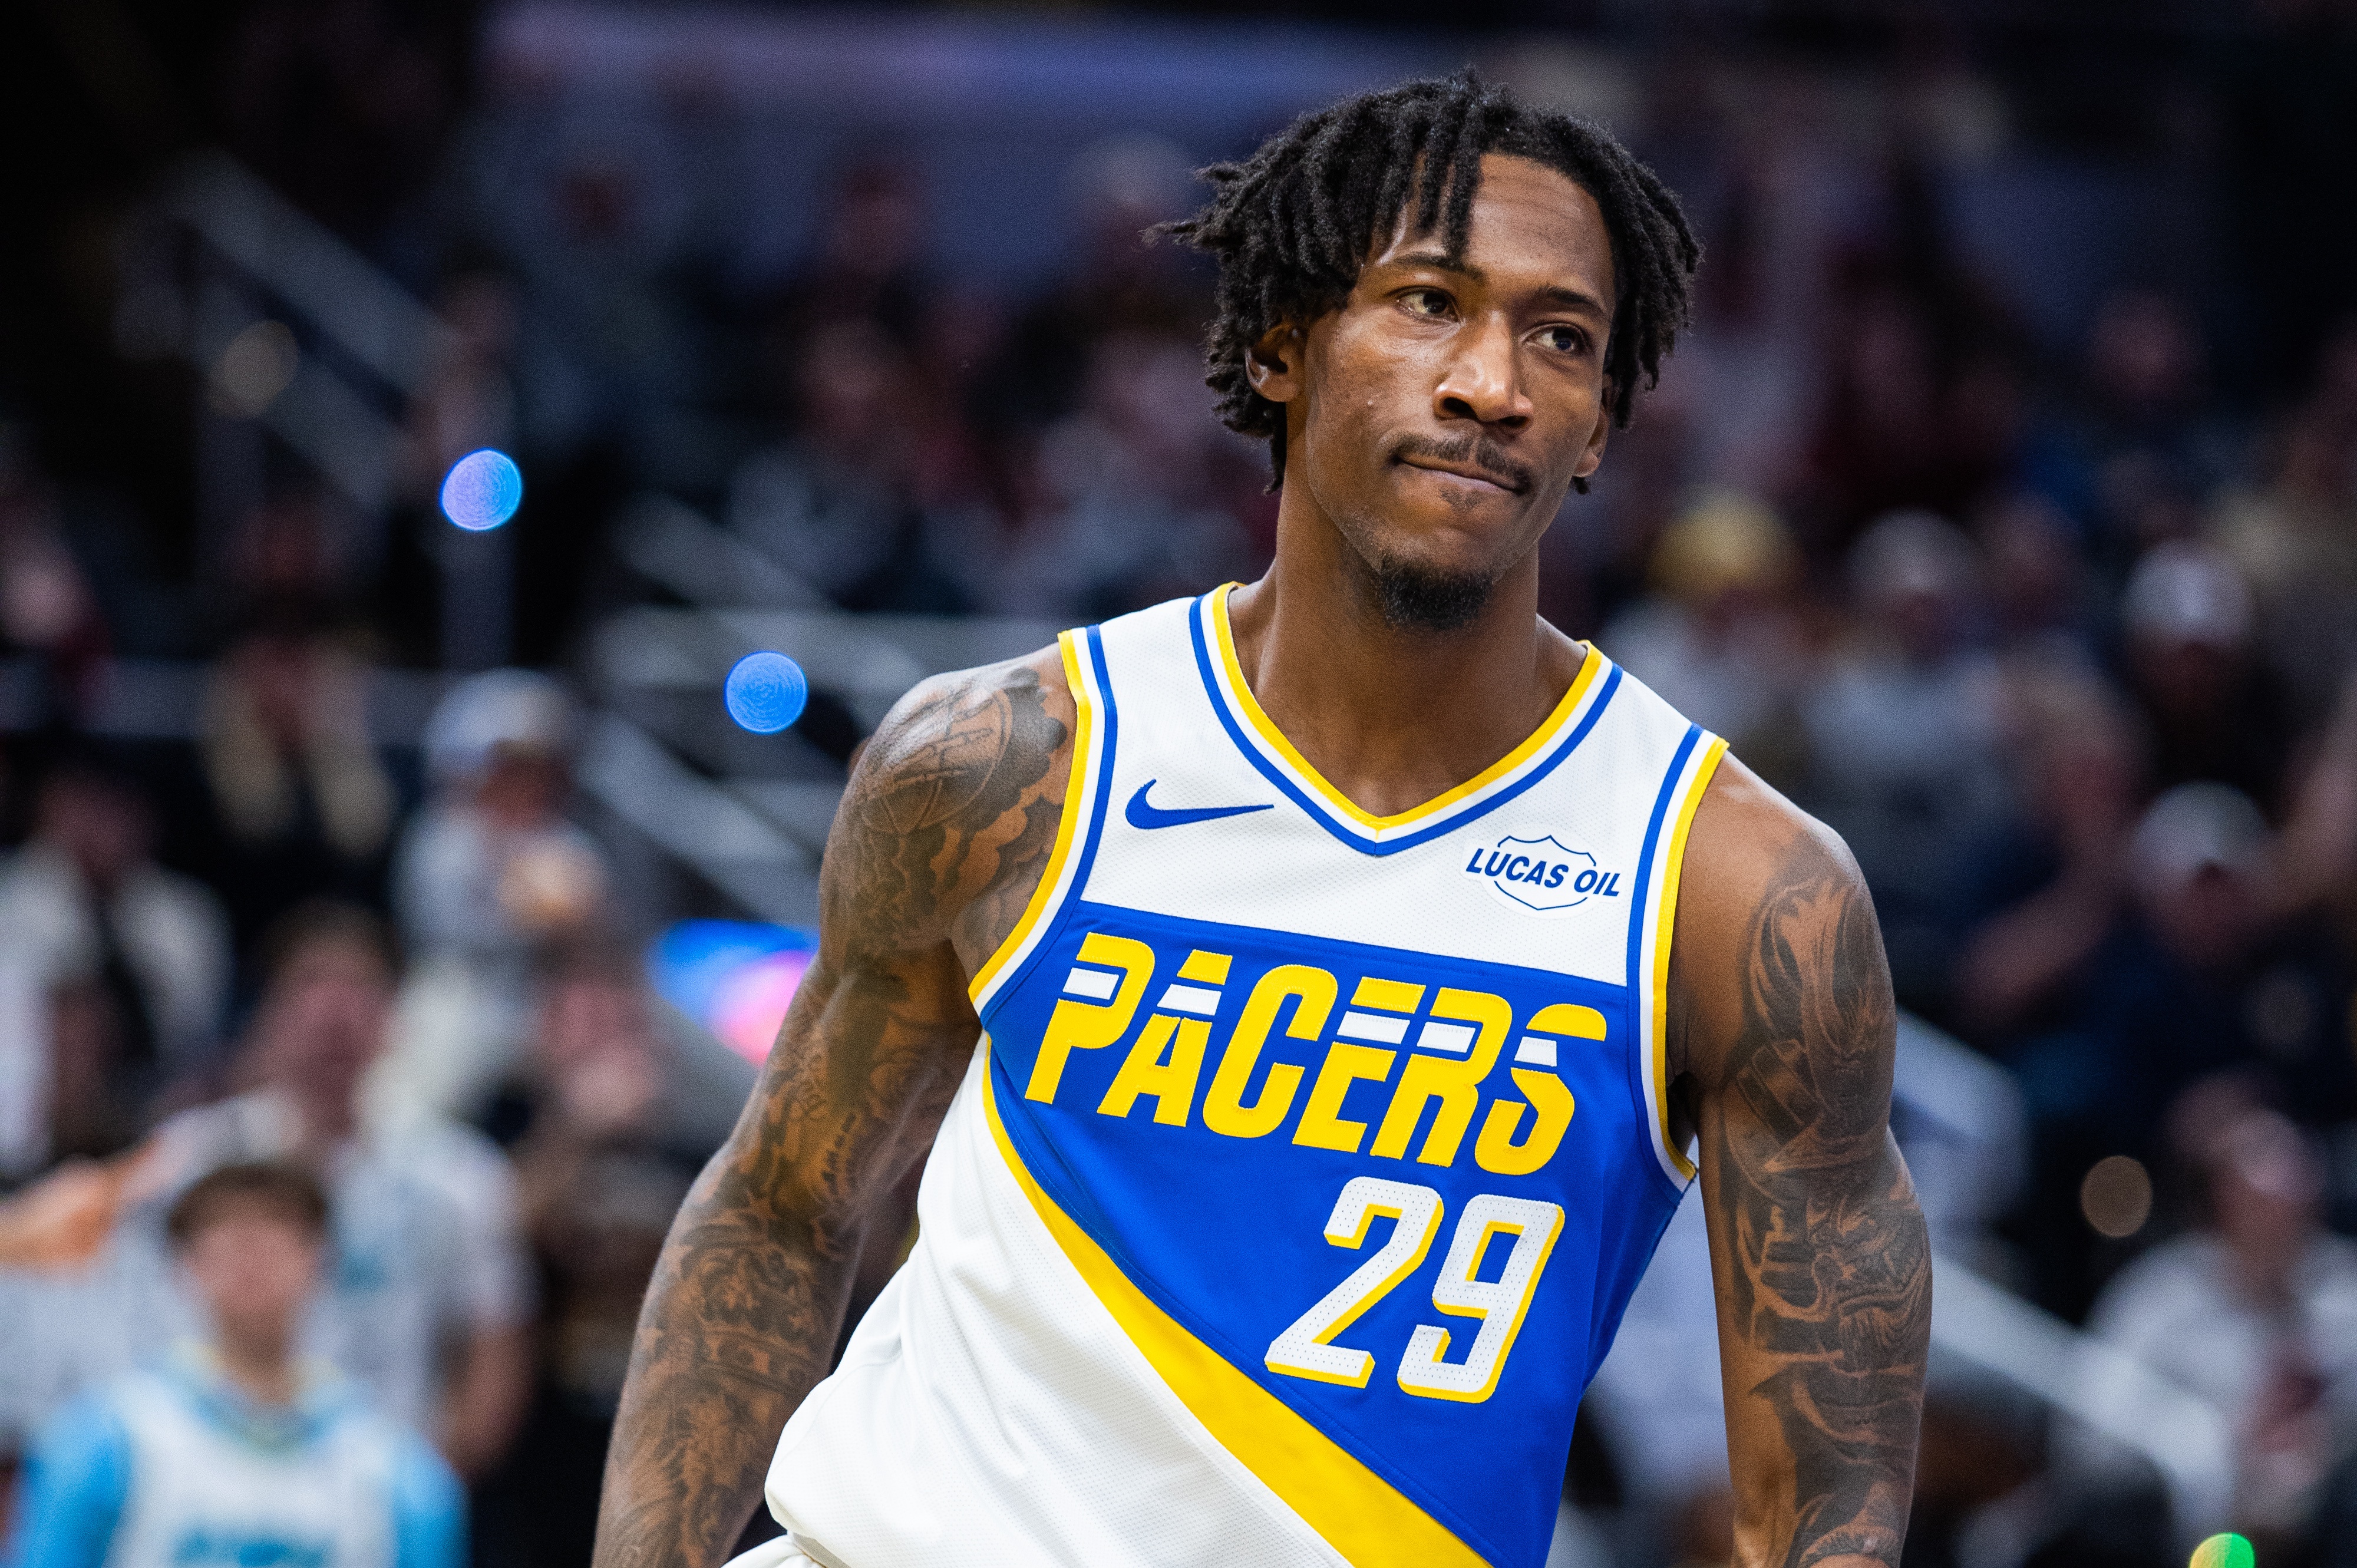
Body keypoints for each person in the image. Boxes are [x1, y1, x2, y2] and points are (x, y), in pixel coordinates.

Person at [596, 72, 1929, 1568]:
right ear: (1281, 343)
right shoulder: (1009, 763)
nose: (1491, 383)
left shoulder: (1739, 890)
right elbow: (778, 1211)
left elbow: (1822, 1517)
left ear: (1601, 424)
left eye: (1560, 337)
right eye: (1429, 303)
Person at [2, 1161, 464, 1568]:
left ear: (320, 1257)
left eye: (274, 1233)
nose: (251, 1258)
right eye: (228, 1237)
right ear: (185, 1264)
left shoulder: (395, 1470)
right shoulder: (105, 1441)